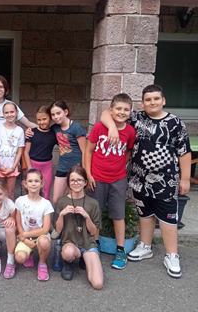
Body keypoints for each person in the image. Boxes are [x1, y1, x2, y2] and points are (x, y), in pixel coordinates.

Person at [102, 84, 191, 278]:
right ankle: (145, 245)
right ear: (142, 103)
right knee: (145, 212)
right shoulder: (136, 118)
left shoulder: (175, 123)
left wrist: (185, 178)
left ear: (163, 100)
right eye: (148, 99)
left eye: (156, 98)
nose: (152, 102)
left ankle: (172, 255)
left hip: (165, 180)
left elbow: (184, 152)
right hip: (139, 178)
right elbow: (106, 113)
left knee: (168, 217)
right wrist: (112, 128)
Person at [84, 93, 136, 270]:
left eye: (126, 109)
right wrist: (88, 174)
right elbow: (88, 151)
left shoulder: (130, 131)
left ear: (130, 112)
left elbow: (128, 151)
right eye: (118, 108)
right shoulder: (100, 127)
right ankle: (94, 244)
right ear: (111, 110)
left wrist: (121, 167)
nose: (122, 112)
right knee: (95, 213)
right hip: (97, 178)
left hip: (118, 179)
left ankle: (120, 250)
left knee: (118, 214)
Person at [55, 166, 103, 289]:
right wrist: (62, 214)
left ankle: (84, 258)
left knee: (97, 284)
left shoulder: (93, 203)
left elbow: (94, 232)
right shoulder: (62, 202)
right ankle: (68, 263)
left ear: (85, 182)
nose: (76, 183)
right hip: (69, 242)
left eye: (79, 180)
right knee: (68, 253)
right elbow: (57, 230)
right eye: (72, 180)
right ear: (68, 182)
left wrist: (87, 217)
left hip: (88, 244)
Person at [14, 168, 53, 281]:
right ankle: (29, 254)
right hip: (25, 236)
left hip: (40, 236)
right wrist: (25, 239)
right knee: (19, 258)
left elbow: (45, 229)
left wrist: (24, 235)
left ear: (42, 183)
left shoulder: (46, 204)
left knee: (44, 242)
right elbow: (18, 223)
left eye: (36, 181)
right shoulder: (20, 201)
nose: (33, 184)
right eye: (30, 181)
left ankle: (42, 263)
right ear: (25, 184)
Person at [50, 100, 86, 205]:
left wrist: (85, 171)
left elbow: (84, 151)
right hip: (62, 167)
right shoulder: (55, 128)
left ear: (65, 112)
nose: (56, 117)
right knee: (56, 199)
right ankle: (59, 216)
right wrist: (30, 130)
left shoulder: (76, 127)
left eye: (58, 113)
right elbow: (42, 130)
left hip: (75, 169)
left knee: (73, 200)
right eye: (53, 114)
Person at [24, 105, 57, 199]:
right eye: (39, 120)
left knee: (46, 191)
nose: (41, 122)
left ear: (50, 118)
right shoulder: (32, 132)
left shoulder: (54, 133)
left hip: (47, 166)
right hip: (33, 164)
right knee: (32, 190)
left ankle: (44, 208)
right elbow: (26, 152)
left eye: (44, 119)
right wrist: (29, 167)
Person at [0, 102, 25, 200]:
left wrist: (13, 167)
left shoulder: (20, 130)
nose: (9, 114)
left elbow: (20, 151)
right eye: (6, 112)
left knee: (10, 194)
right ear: (3, 114)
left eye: (12, 112)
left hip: (12, 167)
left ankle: (9, 210)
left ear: (16, 113)